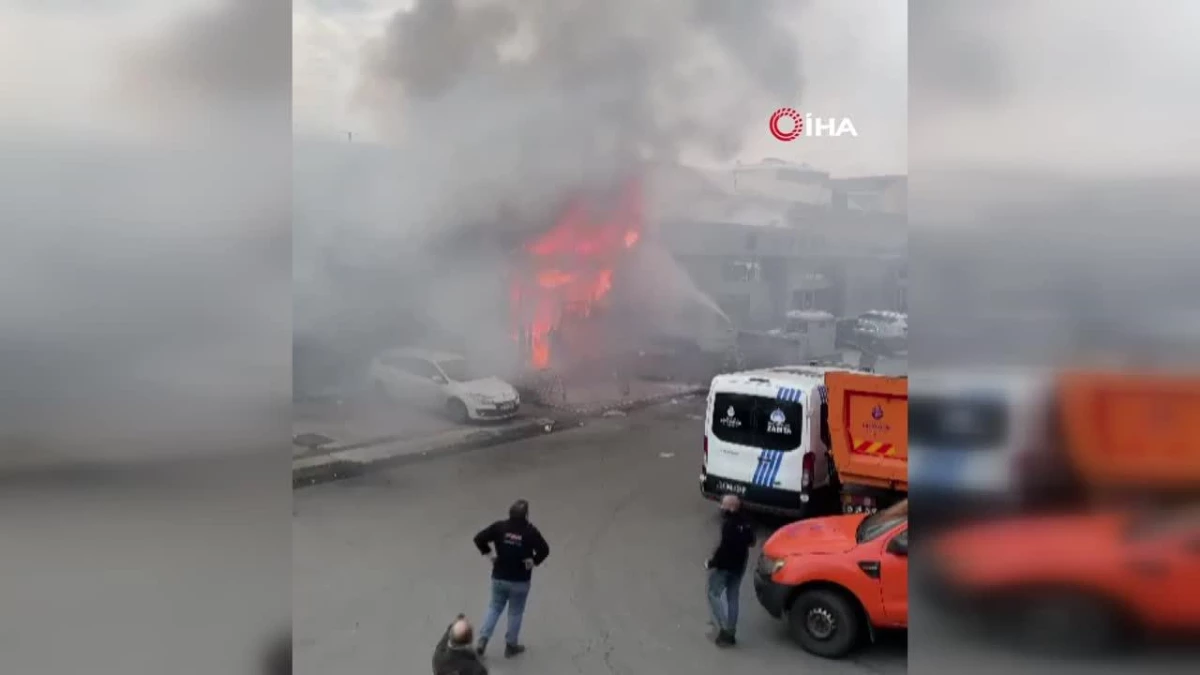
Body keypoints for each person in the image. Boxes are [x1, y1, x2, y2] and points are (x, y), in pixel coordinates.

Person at [472, 499, 550, 658]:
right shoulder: (530, 531)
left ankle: (483, 640)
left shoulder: (500, 527)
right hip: (520, 580)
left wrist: (490, 555)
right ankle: (511, 645)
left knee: (494, 607)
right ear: (526, 515)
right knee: (515, 612)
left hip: (499, 577)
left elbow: (479, 538)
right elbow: (544, 549)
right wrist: (534, 561)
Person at [705, 494, 756, 647]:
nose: (721, 508)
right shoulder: (746, 522)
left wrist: (711, 563)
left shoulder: (729, 525)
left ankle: (724, 628)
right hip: (739, 566)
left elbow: (724, 549)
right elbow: (752, 542)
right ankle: (732, 630)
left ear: (732, 508)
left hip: (725, 567)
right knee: (732, 597)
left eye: (724, 505)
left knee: (713, 593)